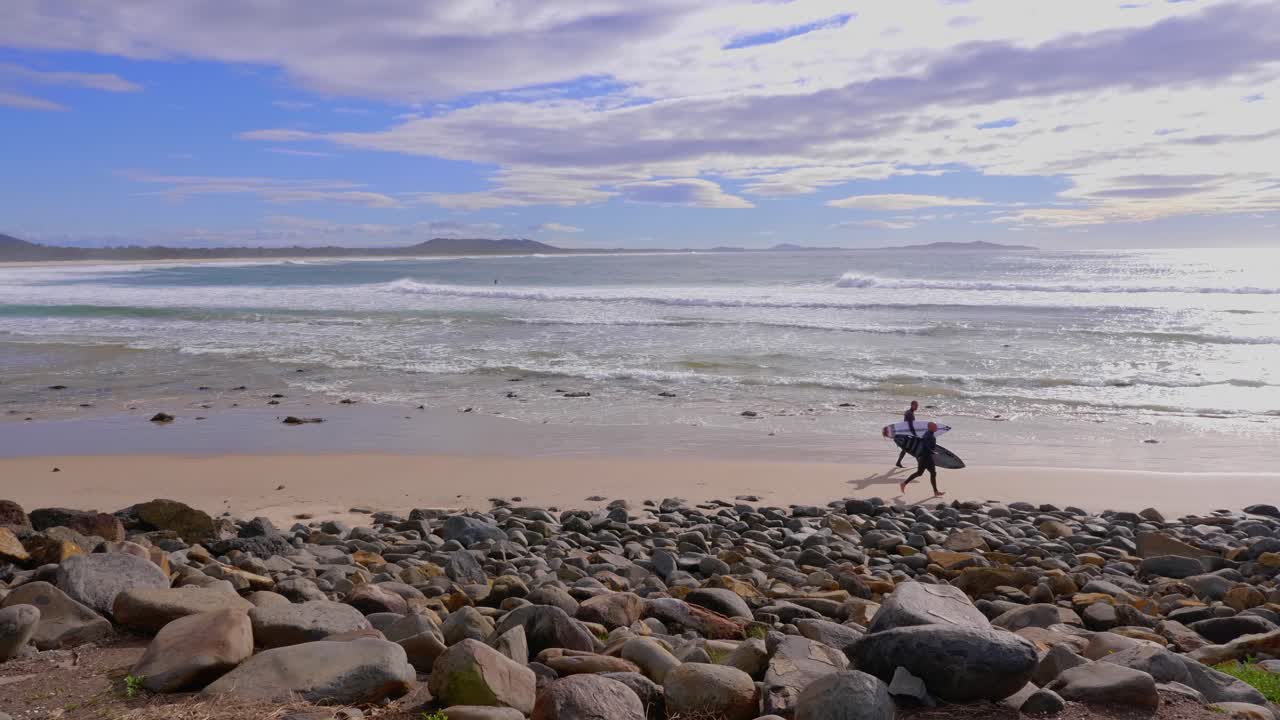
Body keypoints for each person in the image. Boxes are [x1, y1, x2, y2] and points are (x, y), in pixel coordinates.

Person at [900, 421, 944, 497]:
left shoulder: (930, 434)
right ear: (930, 427)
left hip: (926, 457)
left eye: (936, 426)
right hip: (925, 457)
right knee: (924, 473)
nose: (936, 427)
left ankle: (935, 491)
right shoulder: (927, 435)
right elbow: (925, 445)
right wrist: (932, 452)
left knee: (927, 473)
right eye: (935, 426)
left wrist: (932, 452)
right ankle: (904, 483)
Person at [894, 400, 920, 468]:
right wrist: (915, 434)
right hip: (908, 433)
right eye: (916, 405)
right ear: (912, 405)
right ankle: (919, 463)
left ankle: (898, 462)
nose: (917, 407)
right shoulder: (910, 413)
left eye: (917, 405)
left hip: (907, 433)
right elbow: (910, 425)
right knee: (914, 447)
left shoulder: (910, 412)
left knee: (906, 448)